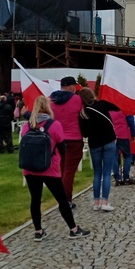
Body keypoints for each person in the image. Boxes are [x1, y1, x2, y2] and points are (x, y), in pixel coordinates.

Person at [21, 95, 90, 240]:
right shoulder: (54, 125)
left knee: (35, 199)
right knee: (62, 200)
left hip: (30, 168)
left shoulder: (27, 126)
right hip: (49, 168)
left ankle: (38, 231)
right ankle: (73, 228)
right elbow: (61, 146)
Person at [79, 88, 118, 212]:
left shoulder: (83, 113)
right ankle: (105, 201)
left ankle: (96, 202)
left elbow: (84, 133)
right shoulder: (102, 105)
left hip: (94, 144)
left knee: (97, 173)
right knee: (107, 173)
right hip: (109, 141)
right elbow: (116, 107)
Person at [50, 76, 84, 205]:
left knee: (61, 170)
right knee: (69, 171)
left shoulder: (50, 100)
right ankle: (65, 200)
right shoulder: (77, 100)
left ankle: (63, 198)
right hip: (74, 139)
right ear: (71, 87)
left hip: (57, 139)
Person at [110, 109, 135, 186]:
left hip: (112, 135)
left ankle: (117, 178)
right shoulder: (125, 107)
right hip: (123, 135)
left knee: (114, 157)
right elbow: (131, 121)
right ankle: (126, 177)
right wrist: (133, 134)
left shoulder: (109, 108)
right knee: (127, 156)